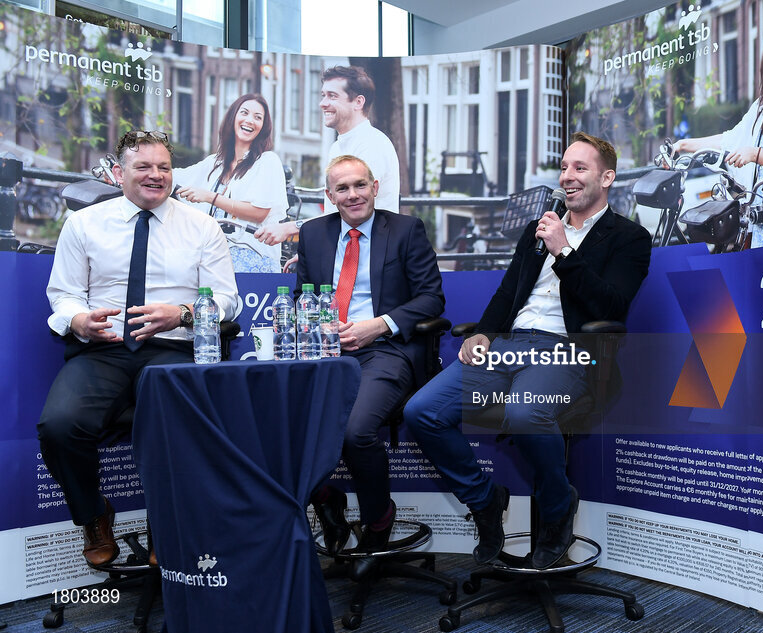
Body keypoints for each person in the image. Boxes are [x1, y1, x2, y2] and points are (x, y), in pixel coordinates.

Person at [403, 132, 652, 570]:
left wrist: (564, 250)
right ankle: (484, 500)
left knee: (523, 411)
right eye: (563, 167)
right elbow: (509, 290)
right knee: (421, 410)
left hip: (567, 350)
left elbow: (611, 306)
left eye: (580, 168)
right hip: (508, 345)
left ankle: (557, 509)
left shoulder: (628, 237)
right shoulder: (538, 227)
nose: (567, 177)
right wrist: (483, 331)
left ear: (607, 177)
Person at [38, 130, 240, 566]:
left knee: (178, 424)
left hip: (175, 348)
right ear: (118, 173)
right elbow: (64, 293)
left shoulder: (202, 226)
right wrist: (77, 320)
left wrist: (183, 312)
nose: (155, 175)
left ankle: (167, 522)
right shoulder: (84, 223)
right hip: (103, 349)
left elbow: (227, 300)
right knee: (58, 426)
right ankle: (94, 514)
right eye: (143, 166)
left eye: (163, 167)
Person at [295, 155, 443, 572]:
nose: (353, 194)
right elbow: (300, 298)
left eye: (360, 185)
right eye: (342, 188)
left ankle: (378, 521)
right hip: (325, 351)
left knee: (357, 431)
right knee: (280, 419)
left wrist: (377, 326)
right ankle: (325, 497)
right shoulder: (312, 234)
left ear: (375, 187)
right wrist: (321, 324)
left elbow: (432, 298)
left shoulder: (405, 230)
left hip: (386, 350)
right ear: (329, 196)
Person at [674, 1, 763, 247]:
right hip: (761, 225)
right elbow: (730, 138)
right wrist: (685, 144)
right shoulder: (761, 107)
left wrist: (754, 153)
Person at [256, 65, 401, 247]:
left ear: (358, 102)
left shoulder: (372, 145)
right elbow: (334, 213)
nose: (322, 103)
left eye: (332, 96)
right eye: (323, 95)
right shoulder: (337, 147)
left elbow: (354, 212)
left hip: (371, 255)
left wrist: (291, 228)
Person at [175, 93, 289, 272]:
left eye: (258, 117)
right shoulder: (215, 162)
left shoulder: (267, 161)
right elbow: (176, 176)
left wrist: (210, 197)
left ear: (263, 127)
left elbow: (259, 212)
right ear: (233, 117)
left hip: (252, 262)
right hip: (215, 258)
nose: (250, 120)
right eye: (244, 112)